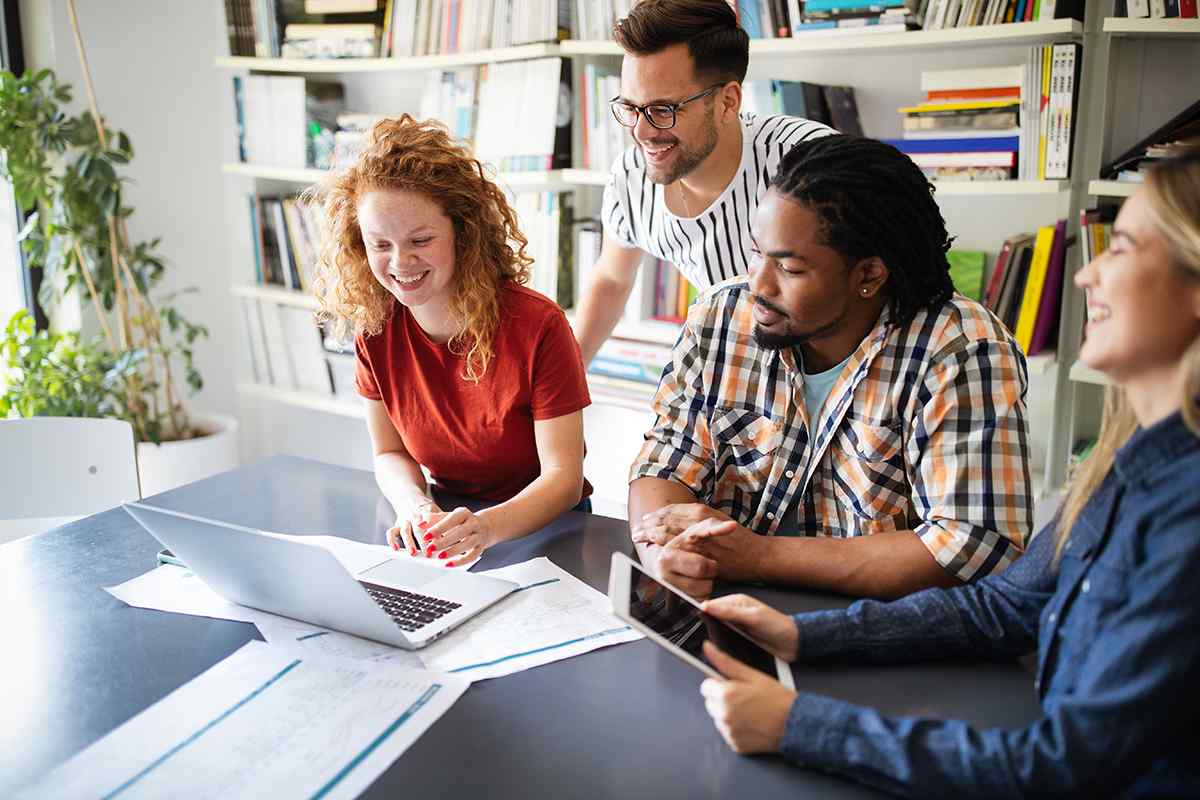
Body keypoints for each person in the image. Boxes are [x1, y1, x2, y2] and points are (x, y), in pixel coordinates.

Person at [696, 147, 1200, 798]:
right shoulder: (1127, 458)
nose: (1085, 276)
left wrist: (801, 725)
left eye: (1122, 247)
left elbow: (1063, 768)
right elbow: (1007, 606)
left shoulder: (1187, 508)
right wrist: (804, 635)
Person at [629, 135, 1033, 600]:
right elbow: (665, 462)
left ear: (868, 275)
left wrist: (759, 556)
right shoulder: (718, 316)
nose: (757, 285)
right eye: (757, 252)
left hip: (879, 637)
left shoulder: (962, 351)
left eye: (790, 269)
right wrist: (664, 554)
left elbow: (974, 544)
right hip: (729, 610)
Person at [312, 114, 591, 566]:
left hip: (548, 530)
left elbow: (564, 478)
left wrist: (486, 528)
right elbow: (388, 452)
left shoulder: (538, 324)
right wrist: (415, 506)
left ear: (463, 233)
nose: (401, 262)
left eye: (420, 239)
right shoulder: (375, 327)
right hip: (446, 524)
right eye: (380, 244)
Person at [572, 0, 833, 365]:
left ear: (728, 102)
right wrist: (561, 385)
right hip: (733, 380)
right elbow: (613, 279)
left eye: (663, 110)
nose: (641, 131)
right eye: (631, 108)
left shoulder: (806, 159)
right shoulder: (630, 177)